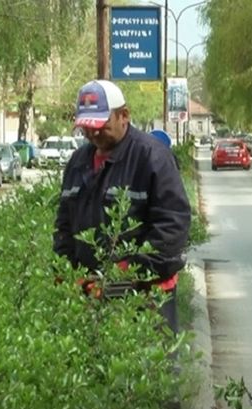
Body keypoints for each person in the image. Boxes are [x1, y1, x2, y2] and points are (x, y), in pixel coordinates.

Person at [53, 79, 191, 334]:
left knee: (149, 370)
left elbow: (172, 228)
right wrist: (67, 273)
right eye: (86, 127)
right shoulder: (77, 162)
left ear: (123, 116)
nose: (92, 134)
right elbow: (64, 225)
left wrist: (120, 275)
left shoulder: (153, 158)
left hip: (146, 299)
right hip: (90, 296)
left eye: (99, 126)